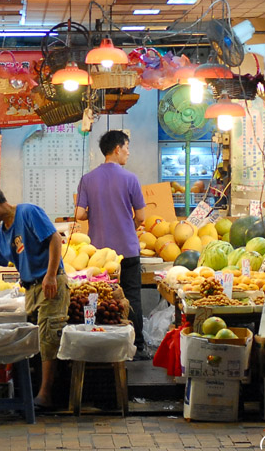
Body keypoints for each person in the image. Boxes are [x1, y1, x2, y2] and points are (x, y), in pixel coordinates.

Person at [0, 185, 68, 410]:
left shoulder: (28, 212)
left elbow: (55, 240)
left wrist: (51, 275)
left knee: (49, 337)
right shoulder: (2, 235)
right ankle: (32, 391)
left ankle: (46, 395)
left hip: (51, 283)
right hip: (31, 289)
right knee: (35, 339)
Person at [75, 130, 147, 358]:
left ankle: (101, 344)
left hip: (99, 255)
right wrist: (129, 224)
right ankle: (138, 346)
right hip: (128, 248)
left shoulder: (87, 179)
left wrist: (95, 214)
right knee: (132, 296)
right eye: (126, 148)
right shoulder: (131, 179)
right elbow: (142, 217)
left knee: (99, 297)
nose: (128, 152)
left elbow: (79, 214)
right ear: (117, 149)